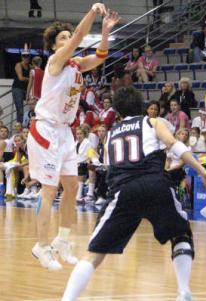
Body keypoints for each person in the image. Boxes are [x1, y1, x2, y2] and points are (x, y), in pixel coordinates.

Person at [61, 86, 206, 301]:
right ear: (142, 105)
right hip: (155, 184)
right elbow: (173, 144)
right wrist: (202, 171)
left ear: (117, 110)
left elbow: (110, 166)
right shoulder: (152, 122)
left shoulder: (111, 133)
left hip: (122, 191)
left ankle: (66, 299)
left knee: (95, 252)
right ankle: (183, 291)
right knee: (180, 234)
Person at [27, 4, 120, 270]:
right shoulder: (54, 62)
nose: (69, 40)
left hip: (65, 131)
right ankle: (41, 245)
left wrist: (104, 32)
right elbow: (80, 36)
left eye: (69, 36)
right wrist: (92, 12)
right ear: (55, 46)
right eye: (63, 38)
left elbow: (101, 56)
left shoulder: (76, 64)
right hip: (45, 129)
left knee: (72, 186)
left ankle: (62, 241)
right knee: (49, 189)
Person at [12, 50, 30, 123]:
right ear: (22, 57)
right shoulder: (18, 65)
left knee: (34, 105)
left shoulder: (30, 66)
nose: (26, 58)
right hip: (17, 88)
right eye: (24, 56)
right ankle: (19, 127)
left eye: (27, 56)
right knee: (20, 109)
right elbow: (21, 78)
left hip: (26, 89)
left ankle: (29, 125)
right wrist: (30, 79)